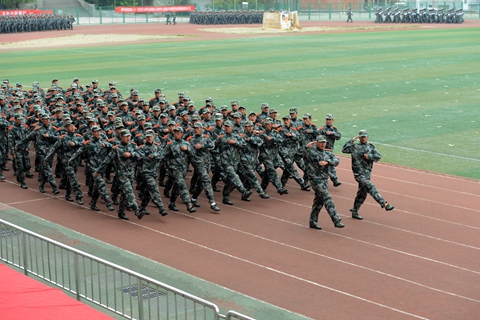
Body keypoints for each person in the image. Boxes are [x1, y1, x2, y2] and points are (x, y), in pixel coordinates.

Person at [342, 130, 394, 220]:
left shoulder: (370, 147)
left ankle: (354, 211)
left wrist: (369, 156)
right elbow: (344, 149)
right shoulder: (354, 147)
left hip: (367, 173)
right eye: (361, 137)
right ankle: (384, 203)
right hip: (359, 174)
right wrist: (351, 140)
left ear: (367, 137)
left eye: (364, 136)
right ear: (359, 137)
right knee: (370, 186)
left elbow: (378, 156)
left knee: (362, 194)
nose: (363, 138)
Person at [297, 135, 344, 230]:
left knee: (319, 201)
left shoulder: (327, 153)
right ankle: (336, 219)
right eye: (321, 142)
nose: (323, 144)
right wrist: (306, 146)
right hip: (315, 179)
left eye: (324, 142)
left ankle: (313, 221)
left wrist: (328, 162)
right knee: (327, 197)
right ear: (316, 142)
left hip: (324, 180)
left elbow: (336, 160)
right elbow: (297, 154)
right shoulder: (310, 152)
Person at [317, 114, 342, 187]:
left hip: (329, 150)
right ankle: (334, 180)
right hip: (322, 150)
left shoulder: (334, 129)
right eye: (327, 119)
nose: (328, 121)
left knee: (328, 164)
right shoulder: (322, 129)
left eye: (329, 120)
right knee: (328, 164)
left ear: (332, 120)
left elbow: (339, 136)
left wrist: (331, 133)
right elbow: (317, 138)